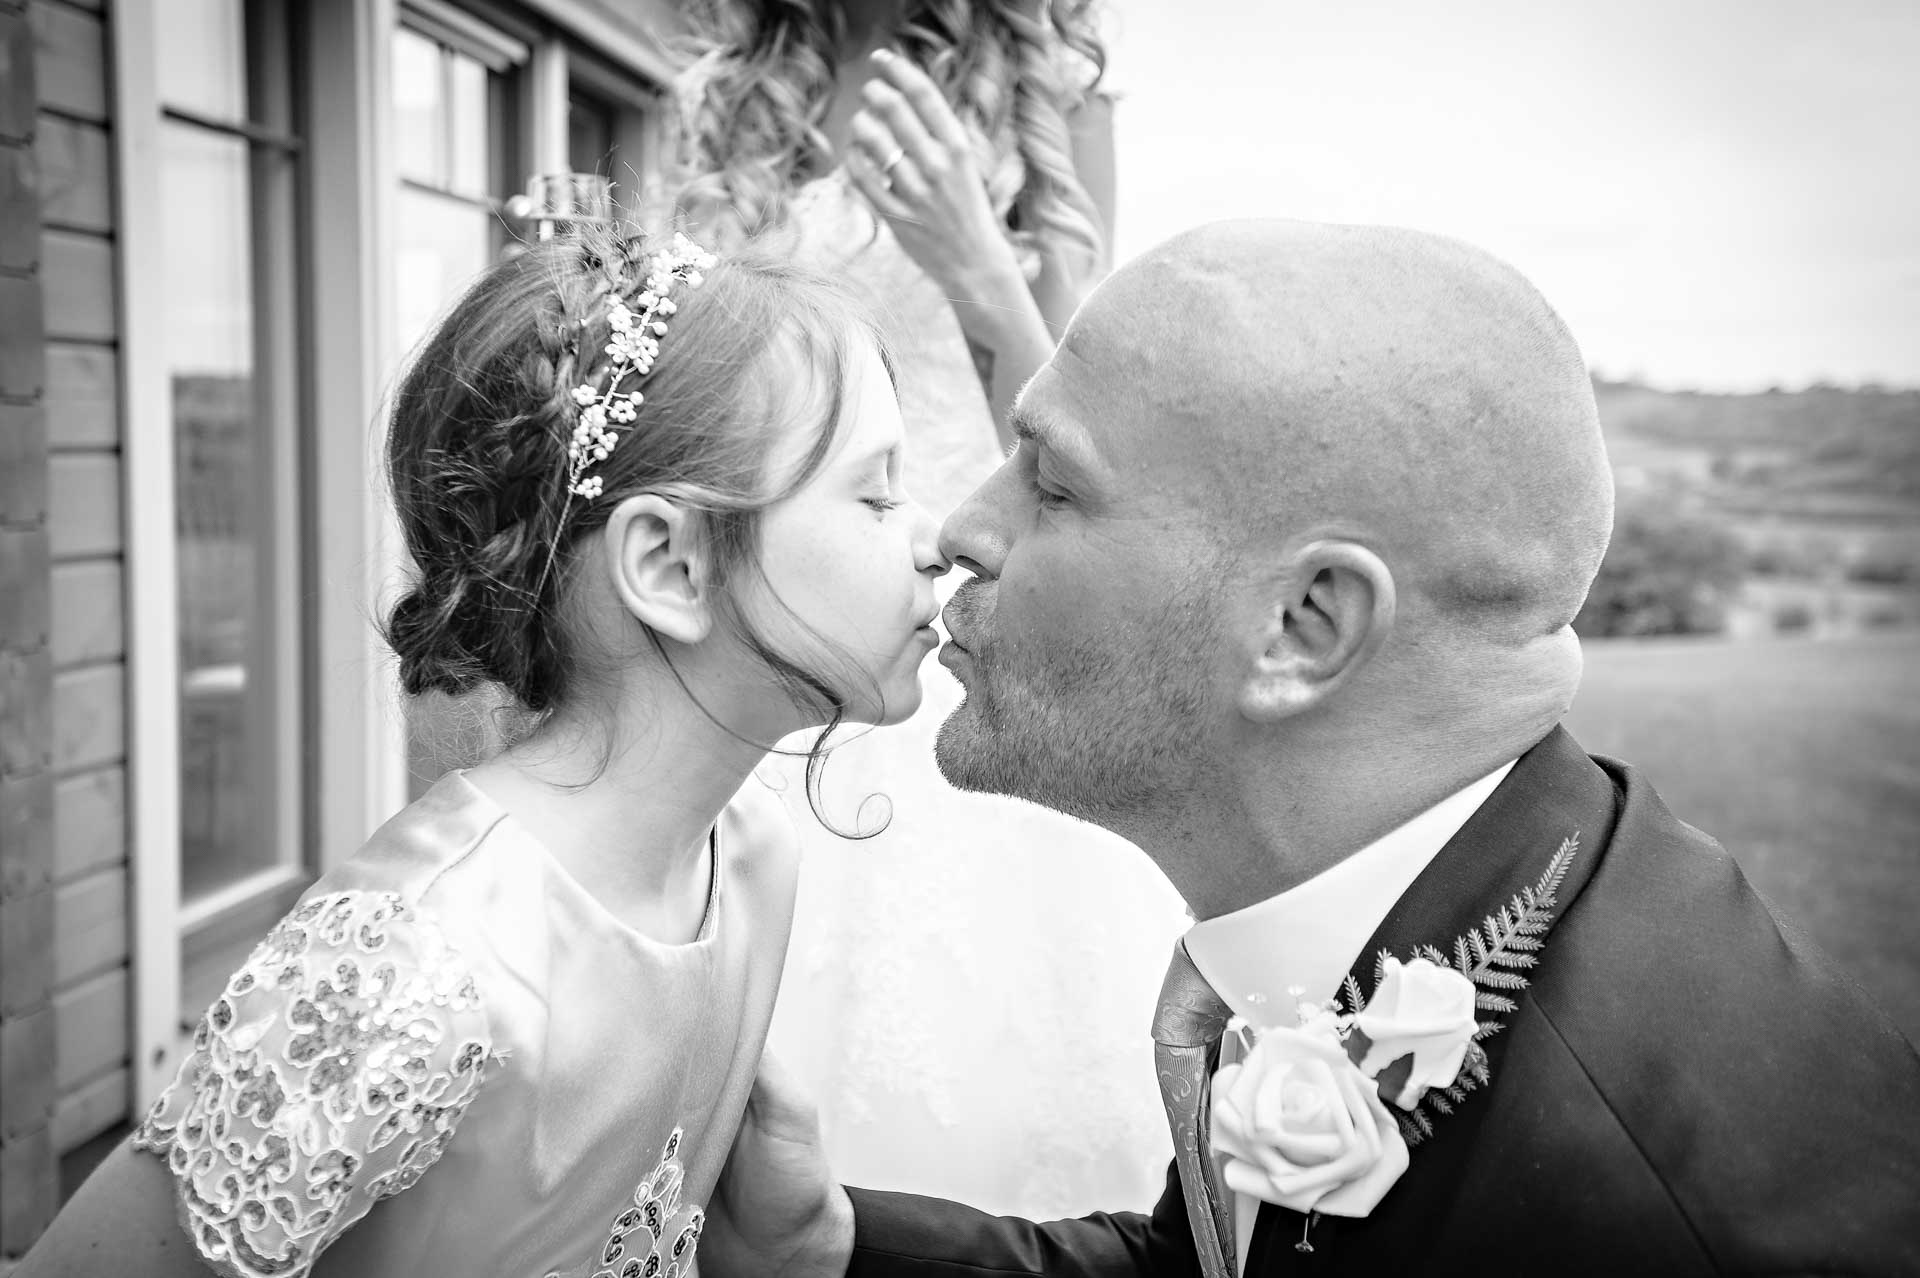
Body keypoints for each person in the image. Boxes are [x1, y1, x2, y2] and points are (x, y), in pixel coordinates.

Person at [697, 219, 1920, 1277]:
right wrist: (831, 1251)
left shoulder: (1635, 1222)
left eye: (1053, 487)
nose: (961, 531)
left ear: (1303, 627)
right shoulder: (1420, 891)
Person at [17, 229, 948, 1276]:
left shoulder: (752, 859)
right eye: (877, 494)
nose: (935, 539)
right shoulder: (411, 963)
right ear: (672, 566)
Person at [668, 0, 1189, 1218]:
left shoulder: (1047, 84)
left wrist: (973, 257)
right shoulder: (731, 88)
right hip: (777, 622)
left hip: (969, 612)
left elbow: (1095, 440)